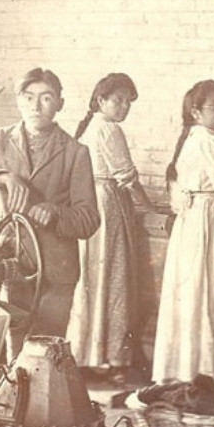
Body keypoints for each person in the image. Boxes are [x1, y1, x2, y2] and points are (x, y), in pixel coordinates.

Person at [0, 67, 99, 346]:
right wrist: (1, 176)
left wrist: (56, 213)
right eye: (29, 96)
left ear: (59, 104)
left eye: (46, 98)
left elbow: (89, 219)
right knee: (9, 344)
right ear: (19, 100)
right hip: (9, 262)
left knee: (43, 352)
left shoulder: (75, 152)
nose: (36, 106)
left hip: (56, 271)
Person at [151, 80, 214, 384]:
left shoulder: (191, 138)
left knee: (194, 293)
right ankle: (209, 373)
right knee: (211, 290)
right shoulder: (210, 141)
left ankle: (186, 370)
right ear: (195, 112)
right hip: (211, 222)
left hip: (192, 223)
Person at [65, 73, 153, 382]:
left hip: (89, 203)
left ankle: (87, 352)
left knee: (93, 278)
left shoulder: (90, 128)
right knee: (112, 275)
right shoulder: (108, 129)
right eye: (118, 100)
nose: (124, 106)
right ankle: (110, 356)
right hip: (106, 204)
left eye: (128, 101)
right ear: (100, 100)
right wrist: (150, 207)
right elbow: (126, 176)